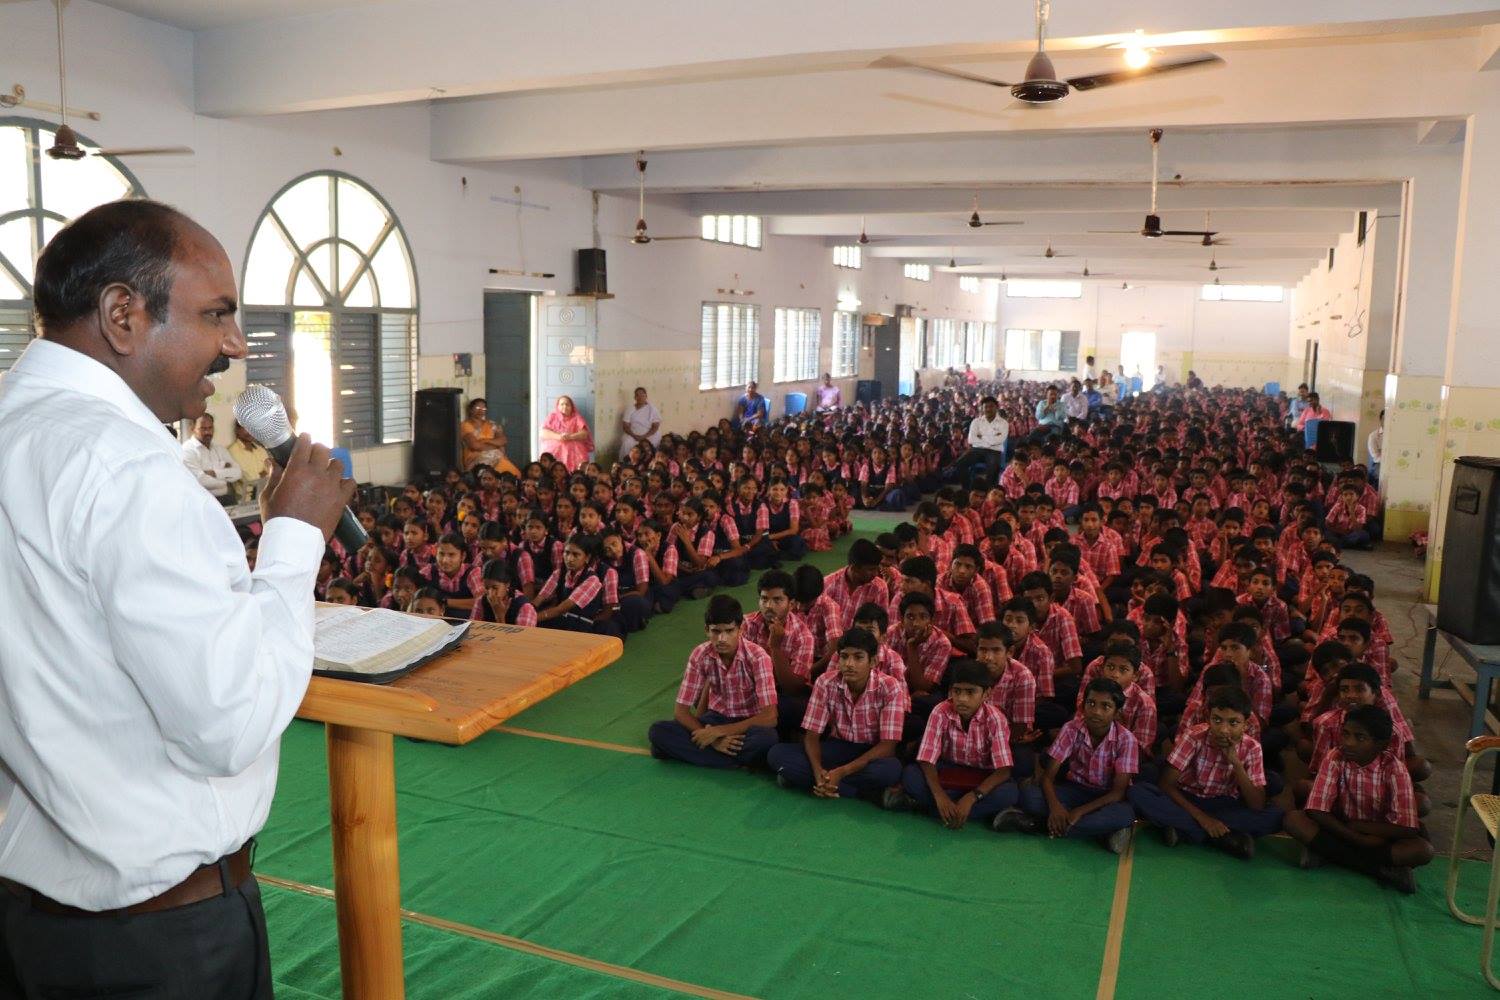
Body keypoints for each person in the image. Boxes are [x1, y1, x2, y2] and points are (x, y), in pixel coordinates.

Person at [0, 199, 355, 997]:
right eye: (216, 315)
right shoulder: (126, 468)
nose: (235, 345)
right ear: (123, 315)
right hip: (158, 943)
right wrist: (294, 539)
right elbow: (228, 723)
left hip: (34, 920)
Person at [1284, 703, 1433, 893]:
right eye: (1345, 734)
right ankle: (1378, 869)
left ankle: (1327, 854)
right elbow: (1316, 809)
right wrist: (1357, 837)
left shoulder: (1394, 768)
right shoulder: (1335, 757)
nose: (1348, 742)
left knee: (1423, 850)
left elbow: (1407, 828)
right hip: (1339, 828)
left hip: (1377, 836)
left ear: (1381, 744)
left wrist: (1364, 829)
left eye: (1360, 737)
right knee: (1293, 820)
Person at [999, 677, 1137, 853]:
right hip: (1074, 790)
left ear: (1117, 712)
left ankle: (1037, 824)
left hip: (1105, 797)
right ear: (1083, 706)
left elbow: (1117, 793)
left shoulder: (1126, 740)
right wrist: (1055, 807)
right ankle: (1101, 833)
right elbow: (1048, 777)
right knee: (1029, 796)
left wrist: (1079, 811)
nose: (1096, 711)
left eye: (1106, 706)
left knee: (1124, 814)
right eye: (1091, 703)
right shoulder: (1071, 729)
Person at [766, 628, 907, 800]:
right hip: (837, 747)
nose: (849, 664)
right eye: (844, 657)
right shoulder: (825, 683)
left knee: (890, 770)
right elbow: (811, 736)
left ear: (873, 661)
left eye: (858, 657)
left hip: (869, 753)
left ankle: (805, 778)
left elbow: (887, 746)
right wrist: (817, 771)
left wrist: (842, 772)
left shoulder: (890, 687)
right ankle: (856, 791)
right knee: (777, 753)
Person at [646, 595, 779, 769]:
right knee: (658, 731)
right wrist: (713, 739)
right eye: (716, 631)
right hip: (714, 719)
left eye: (729, 631)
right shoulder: (699, 655)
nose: (722, 639)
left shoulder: (758, 657)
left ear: (740, 629)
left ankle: (695, 753)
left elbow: (770, 717)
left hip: (746, 725)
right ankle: (735, 761)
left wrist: (718, 733)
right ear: (707, 630)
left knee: (767, 740)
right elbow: (681, 712)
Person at [887, 658, 1018, 827]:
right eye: (957, 691)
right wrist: (940, 796)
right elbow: (926, 760)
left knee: (1009, 792)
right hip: (946, 769)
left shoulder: (996, 719)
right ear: (950, 691)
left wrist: (972, 797)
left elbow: (1003, 771)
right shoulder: (940, 711)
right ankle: (966, 812)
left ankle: (932, 809)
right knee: (911, 775)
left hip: (981, 777)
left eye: (970, 692)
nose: (962, 699)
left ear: (986, 694)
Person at [180, 412, 242, 503]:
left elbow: (238, 472)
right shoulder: (187, 450)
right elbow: (201, 481)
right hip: (203, 502)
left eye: (210, 428)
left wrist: (214, 473)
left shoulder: (219, 448)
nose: (207, 432)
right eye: (203, 428)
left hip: (226, 499)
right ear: (192, 429)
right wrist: (226, 482)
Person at [948, 394, 1008, 487]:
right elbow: (971, 439)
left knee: (993, 467)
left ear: (996, 407)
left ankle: (988, 490)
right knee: (960, 463)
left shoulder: (1003, 423)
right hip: (977, 450)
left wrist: (981, 437)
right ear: (982, 409)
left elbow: (1000, 439)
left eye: (991, 406)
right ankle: (968, 487)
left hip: (994, 450)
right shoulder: (976, 422)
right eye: (986, 407)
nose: (988, 409)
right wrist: (991, 437)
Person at [460, 397, 520, 475]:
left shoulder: (491, 424)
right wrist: (497, 446)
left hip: (497, 457)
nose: (481, 411)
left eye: (484, 409)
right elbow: (475, 446)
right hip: (476, 459)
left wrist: (485, 440)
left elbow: (503, 440)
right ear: (470, 409)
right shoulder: (465, 425)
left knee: (515, 474)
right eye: (477, 408)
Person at [538, 394, 593, 472]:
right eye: (562, 404)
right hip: (555, 448)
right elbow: (543, 432)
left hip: (575, 449)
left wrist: (570, 437)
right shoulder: (552, 416)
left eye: (567, 404)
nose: (565, 406)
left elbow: (584, 434)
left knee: (577, 469)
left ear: (572, 407)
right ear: (558, 406)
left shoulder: (577, 417)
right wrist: (559, 437)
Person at [227, 418, 272, 503]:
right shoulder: (232, 451)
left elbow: (272, 474)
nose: (250, 431)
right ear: (237, 430)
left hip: (267, 496)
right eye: (246, 427)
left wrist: (265, 474)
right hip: (247, 500)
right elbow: (250, 479)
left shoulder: (260, 450)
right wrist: (264, 474)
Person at [619, 386, 662, 459]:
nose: (640, 397)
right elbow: (625, 426)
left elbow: (655, 426)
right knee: (627, 443)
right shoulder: (630, 409)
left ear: (646, 396)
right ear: (635, 397)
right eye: (637, 395)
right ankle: (626, 462)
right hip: (634, 435)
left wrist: (644, 436)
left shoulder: (652, 409)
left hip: (649, 435)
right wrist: (634, 435)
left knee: (654, 441)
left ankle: (650, 462)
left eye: (642, 395)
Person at [1367, 408, 1384, 485]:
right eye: (1384, 419)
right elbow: (1376, 456)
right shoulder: (1373, 435)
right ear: (1380, 420)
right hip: (1377, 464)